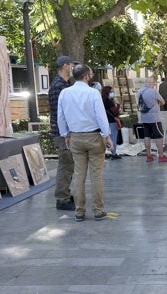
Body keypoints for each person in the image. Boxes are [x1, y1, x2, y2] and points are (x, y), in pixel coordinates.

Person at [57, 64, 114, 222]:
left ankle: (79, 211)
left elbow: (60, 116)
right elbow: (101, 116)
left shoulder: (65, 93)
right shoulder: (93, 93)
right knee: (96, 175)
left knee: (78, 175)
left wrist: (65, 134)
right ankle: (98, 210)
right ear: (87, 76)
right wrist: (107, 136)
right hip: (94, 136)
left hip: (75, 136)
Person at [48, 55, 79, 211]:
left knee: (68, 165)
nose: (74, 68)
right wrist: (66, 133)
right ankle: (62, 198)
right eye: (73, 65)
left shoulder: (65, 85)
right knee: (66, 165)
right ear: (65, 66)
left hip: (67, 132)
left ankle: (64, 194)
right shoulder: (58, 86)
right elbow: (60, 113)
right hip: (62, 133)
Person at [137, 77, 167, 163]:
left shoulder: (140, 91)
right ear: (150, 83)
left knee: (146, 136)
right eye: (153, 83)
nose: (154, 85)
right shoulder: (153, 92)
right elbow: (163, 102)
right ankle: (161, 156)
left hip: (144, 118)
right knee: (159, 137)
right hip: (154, 118)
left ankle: (149, 156)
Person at [101, 86, 122, 160]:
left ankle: (106, 152)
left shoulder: (101, 100)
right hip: (112, 121)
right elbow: (114, 111)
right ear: (108, 92)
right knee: (113, 137)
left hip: (104, 122)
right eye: (111, 91)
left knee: (105, 138)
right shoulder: (109, 101)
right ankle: (113, 153)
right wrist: (118, 105)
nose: (113, 93)